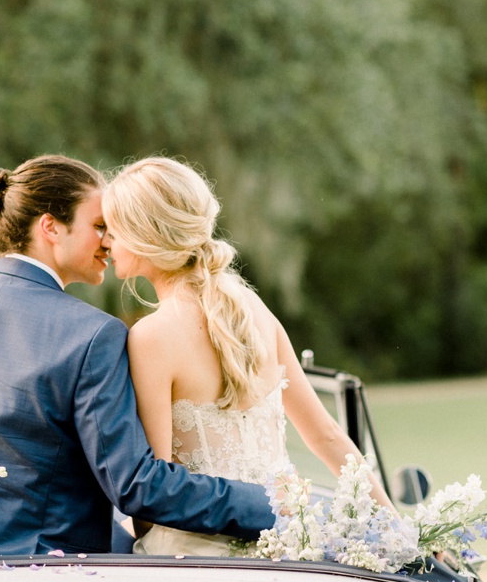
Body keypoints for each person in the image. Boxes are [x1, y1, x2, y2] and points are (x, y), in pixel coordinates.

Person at [0, 154, 275, 555]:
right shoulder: (93, 335)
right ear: (50, 227)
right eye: (100, 226)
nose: (110, 242)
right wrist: (276, 506)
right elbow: (136, 487)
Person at [102, 156, 394, 557]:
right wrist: (393, 525)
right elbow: (325, 434)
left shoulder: (150, 337)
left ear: (143, 236)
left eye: (112, 231)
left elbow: (155, 494)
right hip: (289, 547)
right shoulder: (252, 308)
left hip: (193, 555)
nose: (106, 243)